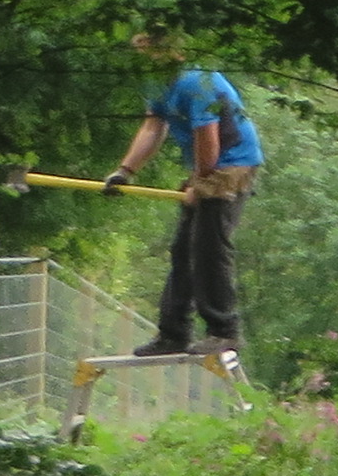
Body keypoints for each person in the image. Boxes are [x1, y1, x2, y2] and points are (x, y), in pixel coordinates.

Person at [101, 32, 266, 358]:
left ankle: (224, 332)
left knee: (209, 248)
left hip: (233, 163)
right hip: (206, 164)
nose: (141, 60)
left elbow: (209, 140)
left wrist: (199, 184)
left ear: (168, 52)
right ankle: (173, 335)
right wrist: (125, 171)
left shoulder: (196, 82)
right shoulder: (156, 82)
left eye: (146, 53)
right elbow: (153, 127)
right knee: (182, 250)